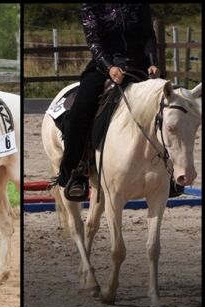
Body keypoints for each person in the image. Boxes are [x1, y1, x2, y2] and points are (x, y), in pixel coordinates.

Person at [58, 4, 163, 201]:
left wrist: (153, 62)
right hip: (104, 67)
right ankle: (75, 171)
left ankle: (170, 170)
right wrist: (109, 68)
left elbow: (148, 35)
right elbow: (94, 42)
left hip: (139, 66)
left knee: (170, 109)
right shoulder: (91, 6)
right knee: (79, 112)